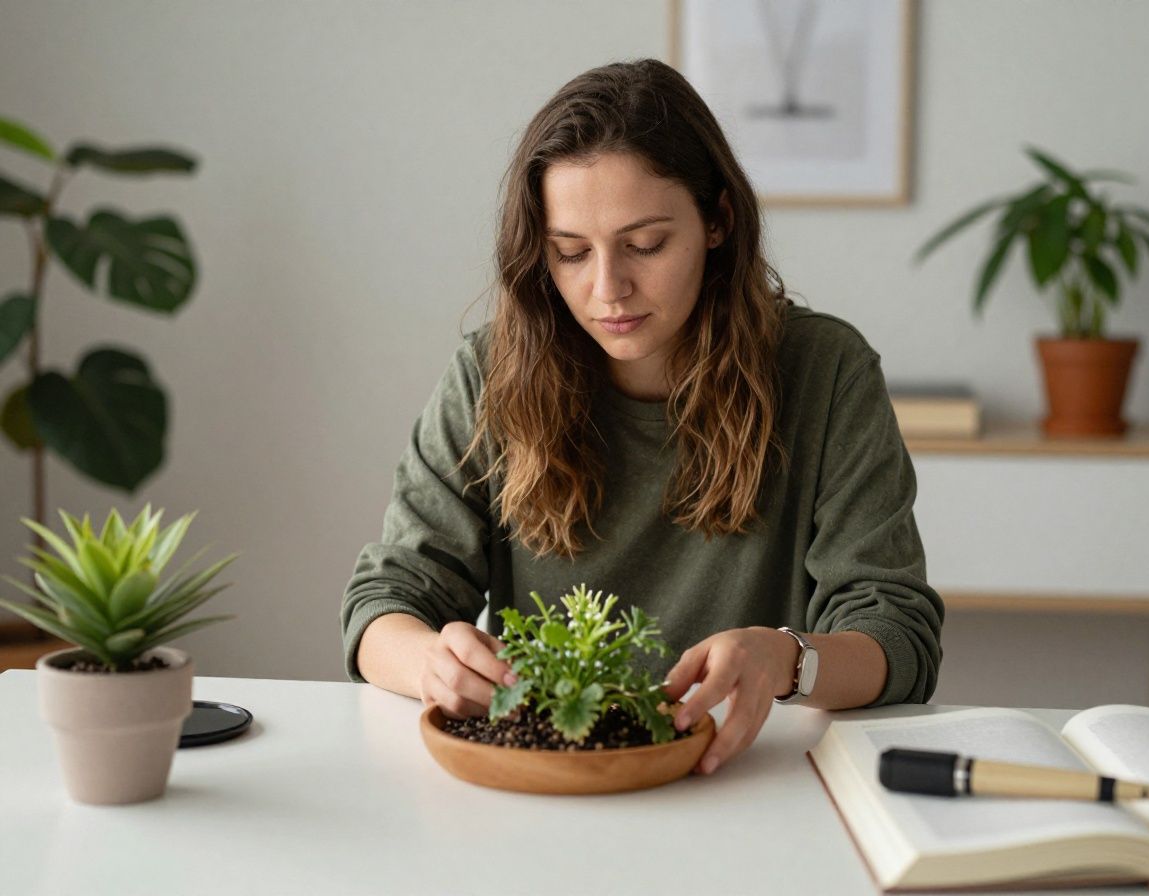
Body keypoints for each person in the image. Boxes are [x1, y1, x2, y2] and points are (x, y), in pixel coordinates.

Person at [342, 58, 942, 775]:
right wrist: (430, 663)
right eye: (570, 253)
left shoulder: (827, 372)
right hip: (549, 778)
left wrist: (788, 659)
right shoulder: (489, 374)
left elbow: (897, 635)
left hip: (749, 780)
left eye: (645, 245)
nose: (608, 289)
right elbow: (385, 603)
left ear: (717, 221)